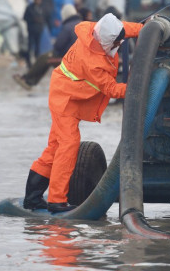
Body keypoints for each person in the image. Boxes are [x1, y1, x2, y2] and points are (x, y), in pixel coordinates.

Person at [24, 13, 144, 213]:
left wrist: (145, 28)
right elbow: (111, 89)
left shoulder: (98, 29)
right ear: (107, 41)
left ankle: (32, 199)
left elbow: (124, 28)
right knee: (68, 145)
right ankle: (56, 200)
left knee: (54, 148)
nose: (120, 43)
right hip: (65, 100)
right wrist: (138, 87)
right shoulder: (92, 62)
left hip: (68, 94)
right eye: (117, 42)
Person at [14, 5, 91, 89]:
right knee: (47, 58)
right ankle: (30, 80)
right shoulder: (82, 23)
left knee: (44, 58)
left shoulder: (67, 27)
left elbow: (58, 45)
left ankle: (28, 80)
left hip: (71, 57)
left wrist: (55, 53)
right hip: (82, 57)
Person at [23, 0, 46, 65]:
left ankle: (37, 61)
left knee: (37, 46)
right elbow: (25, 17)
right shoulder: (30, 8)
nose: (39, 1)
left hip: (39, 30)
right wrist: (33, 20)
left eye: (40, 0)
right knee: (30, 45)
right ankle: (28, 61)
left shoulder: (41, 8)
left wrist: (41, 22)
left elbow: (45, 18)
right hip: (32, 30)